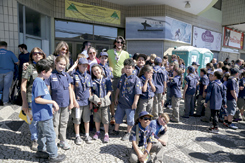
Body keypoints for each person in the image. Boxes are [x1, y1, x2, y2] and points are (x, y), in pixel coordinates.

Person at [32, 59, 66, 162]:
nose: (51, 74)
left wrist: (49, 106)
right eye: (50, 72)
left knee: (42, 134)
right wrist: (53, 102)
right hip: (43, 116)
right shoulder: (38, 81)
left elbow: (44, 97)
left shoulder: (40, 81)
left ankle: (41, 151)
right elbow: (37, 99)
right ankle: (53, 156)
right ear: (43, 72)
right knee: (50, 135)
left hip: (44, 113)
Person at [45, 56, 73, 150]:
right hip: (55, 105)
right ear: (55, 63)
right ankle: (53, 142)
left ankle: (62, 141)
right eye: (60, 64)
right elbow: (47, 92)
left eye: (64, 65)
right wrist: (49, 105)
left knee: (64, 123)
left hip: (65, 104)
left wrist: (71, 102)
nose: (62, 66)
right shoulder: (50, 75)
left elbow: (70, 89)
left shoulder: (66, 75)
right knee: (55, 124)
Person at [21, 47, 46, 151]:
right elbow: (23, 85)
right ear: (31, 56)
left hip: (44, 98)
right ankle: (34, 139)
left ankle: (42, 138)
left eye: (39, 53)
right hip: (32, 99)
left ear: (43, 55)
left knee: (43, 120)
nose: (37, 55)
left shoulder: (46, 67)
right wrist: (24, 103)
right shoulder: (29, 68)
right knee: (33, 121)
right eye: (35, 53)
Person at [112, 58, 142, 141]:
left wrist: (135, 102)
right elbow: (118, 88)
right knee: (118, 117)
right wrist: (116, 98)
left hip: (130, 104)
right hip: (121, 103)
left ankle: (128, 132)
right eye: (126, 68)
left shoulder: (136, 79)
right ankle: (116, 130)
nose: (127, 69)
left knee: (130, 119)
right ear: (123, 68)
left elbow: (137, 92)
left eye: (129, 68)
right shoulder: (122, 77)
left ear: (133, 68)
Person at [107, 36, 130, 125]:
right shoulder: (109, 52)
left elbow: (128, 65)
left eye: (121, 42)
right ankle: (113, 115)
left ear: (123, 44)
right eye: (118, 42)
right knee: (112, 98)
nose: (119, 44)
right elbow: (103, 61)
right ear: (115, 43)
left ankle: (121, 116)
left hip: (122, 78)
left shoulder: (126, 53)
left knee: (123, 98)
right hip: (112, 78)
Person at [71, 58, 93, 144]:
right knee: (77, 119)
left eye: (86, 66)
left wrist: (91, 101)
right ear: (78, 65)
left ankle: (87, 135)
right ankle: (77, 136)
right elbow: (71, 89)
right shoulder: (74, 75)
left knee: (86, 119)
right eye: (83, 66)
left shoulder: (88, 76)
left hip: (86, 102)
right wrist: (74, 101)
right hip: (78, 102)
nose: (85, 68)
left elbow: (90, 90)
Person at [90, 64, 112, 143]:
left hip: (105, 102)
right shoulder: (92, 82)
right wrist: (94, 100)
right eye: (94, 71)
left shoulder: (106, 80)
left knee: (106, 118)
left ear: (101, 70)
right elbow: (91, 92)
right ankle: (97, 131)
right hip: (96, 103)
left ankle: (106, 133)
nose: (96, 72)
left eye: (97, 70)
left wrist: (106, 97)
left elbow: (110, 90)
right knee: (97, 118)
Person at [0, 41, 19, 105]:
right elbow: (17, 62)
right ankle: (5, 101)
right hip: (8, 72)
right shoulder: (10, 53)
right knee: (6, 87)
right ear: (6, 46)